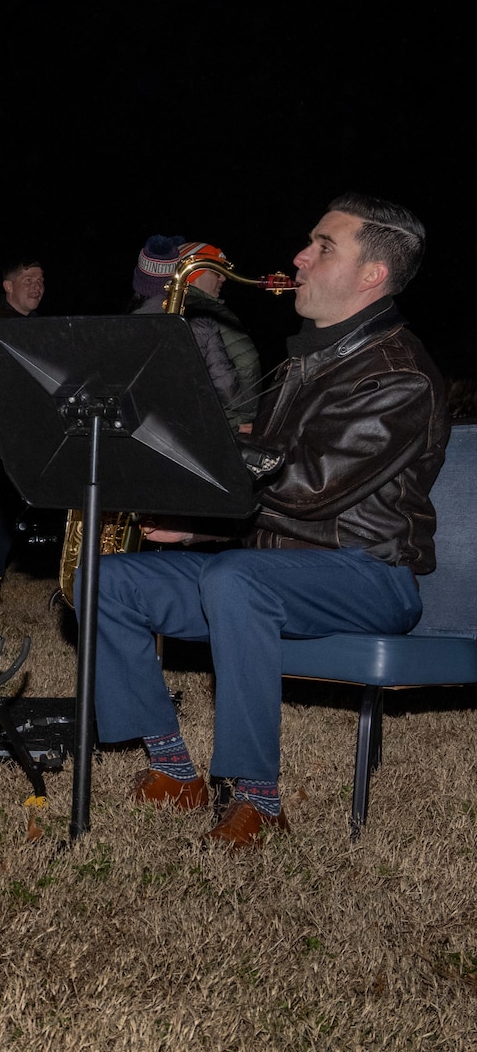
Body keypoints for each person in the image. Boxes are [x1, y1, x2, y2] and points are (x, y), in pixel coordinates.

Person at [91, 193, 446, 849]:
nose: (300, 257)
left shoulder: (401, 376)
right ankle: (174, 770)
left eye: (323, 247)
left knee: (236, 579)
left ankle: (258, 798)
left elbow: (309, 486)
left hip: (368, 575)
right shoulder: (306, 360)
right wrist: (195, 526)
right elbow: (268, 488)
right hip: (266, 569)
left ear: (372, 274)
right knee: (107, 579)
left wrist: (192, 446)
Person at [130, 236, 263, 428]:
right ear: (192, 272)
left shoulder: (139, 313)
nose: (223, 277)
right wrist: (243, 418)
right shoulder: (207, 312)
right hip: (201, 425)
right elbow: (246, 363)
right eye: (216, 270)